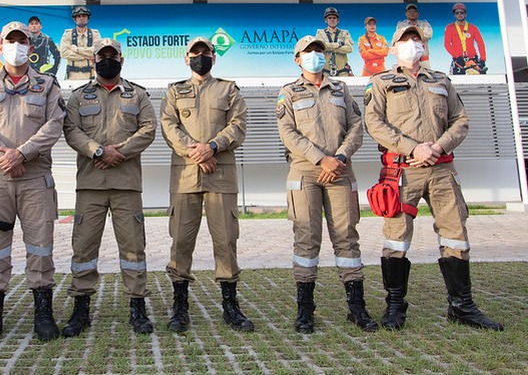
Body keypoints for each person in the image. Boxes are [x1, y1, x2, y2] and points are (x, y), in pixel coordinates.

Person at [364, 24, 504, 332]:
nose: (412, 45)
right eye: (405, 40)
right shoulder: (381, 82)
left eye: (417, 40)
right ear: (394, 47)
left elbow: (460, 120)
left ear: (424, 46)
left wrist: (437, 147)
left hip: (442, 169)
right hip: (401, 171)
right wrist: (415, 147)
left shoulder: (441, 80)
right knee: (395, 237)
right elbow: (374, 123)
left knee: (455, 234)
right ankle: (395, 306)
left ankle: (462, 306)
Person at [0, 21, 66, 345]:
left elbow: (54, 125)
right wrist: (2, 156)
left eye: (22, 41)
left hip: (35, 178)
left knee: (40, 247)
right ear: (0, 46)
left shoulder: (48, 84)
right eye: (11, 41)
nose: (17, 46)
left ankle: (43, 314)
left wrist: (22, 153)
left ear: (31, 48)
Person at [276, 35, 377, 334]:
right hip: (305, 171)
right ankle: (305, 310)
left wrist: (340, 156)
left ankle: (356, 308)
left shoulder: (340, 88)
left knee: (347, 237)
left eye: (319, 50)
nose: (315, 55)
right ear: (297, 59)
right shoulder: (288, 93)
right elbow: (288, 132)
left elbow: (357, 126)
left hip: (341, 169)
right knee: (306, 239)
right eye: (308, 52)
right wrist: (322, 160)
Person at [61, 38, 157, 337]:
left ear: (121, 59)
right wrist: (99, 151)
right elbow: (71, 130)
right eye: (101, 56)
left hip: (127, 185)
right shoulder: (78, 97)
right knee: (84, 248)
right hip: (90, 184)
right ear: (94, 61)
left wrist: (120, 152)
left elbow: (149, 129)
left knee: (133, 248)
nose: (107, 60)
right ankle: (80, 309)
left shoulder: (138, 95)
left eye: (112, 55)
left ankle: (137, 306)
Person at [159, 36, 254, 334]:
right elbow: (168, 126)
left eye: (206, 52)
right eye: (195, 53)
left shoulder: (228, 89)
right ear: (186, 58)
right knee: (181, 242)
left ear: (214, 57)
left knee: (226, 240)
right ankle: (180, 307)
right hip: (186, 176)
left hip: (220, 175)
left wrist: (212, 146)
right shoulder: (175, 91)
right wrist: (196, 152)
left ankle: (230, 307)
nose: (201, 56)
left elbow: (238, 125)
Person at [443, 3, 487, 75]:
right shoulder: (449, 28)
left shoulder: (473, 28)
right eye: (457, 13)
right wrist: (457, 56)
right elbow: (447, 44)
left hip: (472, 60)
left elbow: (480, 44)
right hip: (458, 61)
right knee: (457, 83)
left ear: (465, 14)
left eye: (462, 12)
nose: (459, 14)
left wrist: (483, 59)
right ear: (454, 15)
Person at [60, 5, 101, 80]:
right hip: (72, 76)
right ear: (74, 19)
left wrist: (78, 50)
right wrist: (85, 56)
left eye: (84, 16)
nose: (81, 18)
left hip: (89, 75)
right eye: (78, 16)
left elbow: (97, 51)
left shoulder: (95, 34)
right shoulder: (67, 34)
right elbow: (64, 53)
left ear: (88, 18)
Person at [315, 7, 354, 76]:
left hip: (342, 72)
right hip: (326, 72)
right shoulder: (320, 33)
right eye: (329, 18)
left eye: (334, 18)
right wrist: (338, 45)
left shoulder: (345, 33)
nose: (332, 20)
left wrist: (330, 47)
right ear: (325, 20)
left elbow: (349, 49)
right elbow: (321, 47)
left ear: (338, 20)